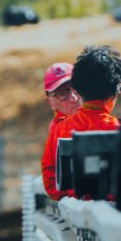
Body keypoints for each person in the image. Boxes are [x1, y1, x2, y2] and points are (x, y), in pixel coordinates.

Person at [42, 45, 121, 200]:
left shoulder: (58, 130)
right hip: (114, 211)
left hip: (76, 211)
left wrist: (73, 198)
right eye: (62, 94)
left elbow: (51, 184)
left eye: (72, 89)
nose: (72, 98)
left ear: (79, 88)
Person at [41, 62, 82, 197]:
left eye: (76, 88)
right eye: (62, 94)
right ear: (51, 103)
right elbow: (51, 182)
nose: (74, 98)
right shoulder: (60, 129)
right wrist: (71, 196)